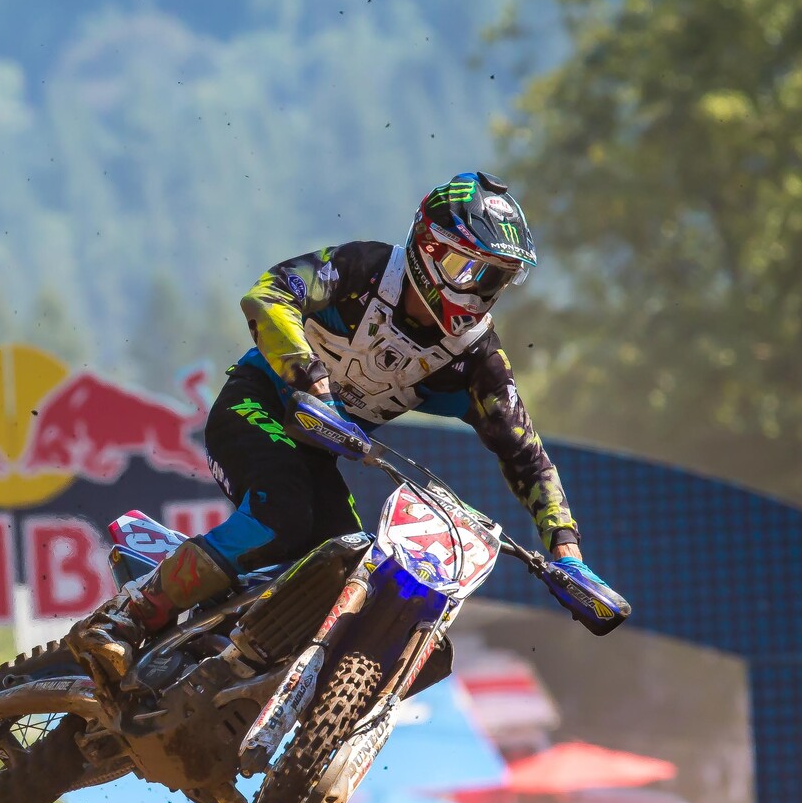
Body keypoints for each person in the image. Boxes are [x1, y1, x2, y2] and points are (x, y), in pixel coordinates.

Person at [72, 171, 617, 689]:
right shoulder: (364, 270)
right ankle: (130, 616)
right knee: (281, 514)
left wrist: (566, 553)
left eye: (495, 279)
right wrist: (311, 380)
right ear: (429, 249)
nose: (478, 294)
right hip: (257, 407)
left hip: (317, 451)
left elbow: (528, 458)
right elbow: (268, 294)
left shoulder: (476, 360)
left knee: (352, 571)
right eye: (469, 271)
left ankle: (232, 685)